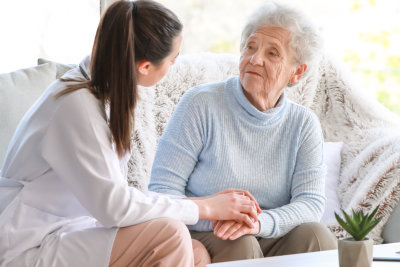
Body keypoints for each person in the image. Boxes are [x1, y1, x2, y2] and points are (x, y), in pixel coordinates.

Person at [0, 1, 260, 266]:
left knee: (196, 253)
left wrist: (205, 201)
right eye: (173, 60)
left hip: (72, 228)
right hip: (30, 241)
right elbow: (115, 208)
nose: (173, 66)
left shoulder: (102, 94)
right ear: (145, 67)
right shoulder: (76, 107)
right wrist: (204, 208)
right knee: (170, 235)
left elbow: (119, 196)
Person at [149, 1, 338, 263]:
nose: (255, 59)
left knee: (318, 238)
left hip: (266, 230)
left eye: (272, 53)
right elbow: (162, 192)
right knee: (241, 245)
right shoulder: (200, 104)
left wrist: (258, 222)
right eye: (250, 47)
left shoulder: (303, 124)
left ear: (298, 71)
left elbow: (310, 204)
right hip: (206, 232)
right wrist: (218, 217)